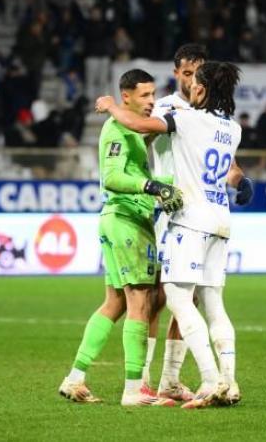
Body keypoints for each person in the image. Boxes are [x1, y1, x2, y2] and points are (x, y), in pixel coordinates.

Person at [96, 61, 254, 409]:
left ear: (201, 89)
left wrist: (110, 106)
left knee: (178, 299)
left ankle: (212, 381)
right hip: (221, 221)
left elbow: (137, 124)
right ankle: (229, 380)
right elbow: (229, 167)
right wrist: (242, 181)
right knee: (214, 304)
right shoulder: (234, 128)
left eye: (195, 82)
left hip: (190, 221)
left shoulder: (185, 119)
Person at [58, 69, 183, 407]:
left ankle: (74, 378)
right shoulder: (115, 129)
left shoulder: (130, 131)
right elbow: (112, 177)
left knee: (115, 304)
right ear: (126, 96)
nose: (152, 101)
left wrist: (164, 183)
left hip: (122, 220)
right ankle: (133, 389)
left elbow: (138, 157)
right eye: (145, 95)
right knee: (140, 302)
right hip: (126, 221)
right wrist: (151, 186)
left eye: (153, 94)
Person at [143, 43, 253, 403]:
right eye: (186, 73)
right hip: (170, 209)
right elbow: (141, 134)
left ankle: (174, 380)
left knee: (178, 299)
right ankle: (147, 376)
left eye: (197, 74)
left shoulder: (192, 117)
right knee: (159, 299)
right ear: (177, 73)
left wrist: (240, 179)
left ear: (203, 81)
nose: (191, 80)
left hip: (187, 215)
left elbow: (228, 165)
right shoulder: (165, 108)